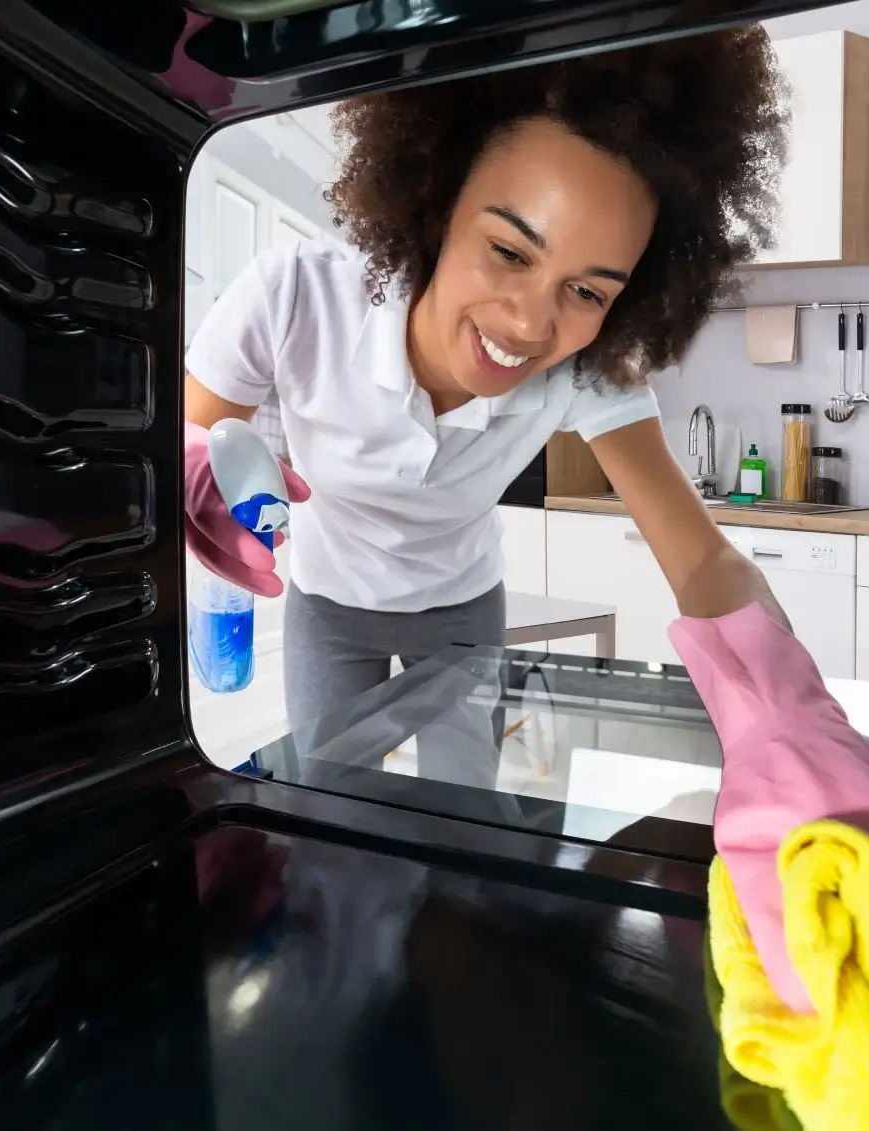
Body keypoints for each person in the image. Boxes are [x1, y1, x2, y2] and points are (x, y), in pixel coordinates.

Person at [184, 27, 790, 751]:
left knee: (465, 795)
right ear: (438, 205)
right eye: (508, 250)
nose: (531, 323)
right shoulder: (293, 297)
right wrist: (187, 475)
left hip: (462, 608)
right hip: (328, 603)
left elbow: (701, 558)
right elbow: (194, 442)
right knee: (327, 789)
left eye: (587, 292)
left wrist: (794, 710)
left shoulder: (587, 371)